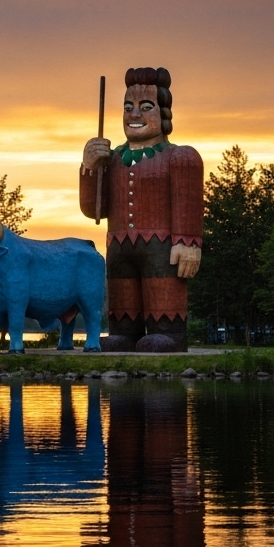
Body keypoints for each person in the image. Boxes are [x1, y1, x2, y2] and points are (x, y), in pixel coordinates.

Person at [79, 67, 203, 352]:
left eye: (145, 107)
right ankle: (124, 333)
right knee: (123, 296)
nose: (134, 114)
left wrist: (188, 242)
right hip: (120, 244)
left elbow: (188, 203)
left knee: (162, 290)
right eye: (128, 107)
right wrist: (89, 167)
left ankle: (168, 334)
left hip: (162, 246)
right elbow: (93, 210)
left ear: (164, 114)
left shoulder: (180, 157)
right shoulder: (111, 160)